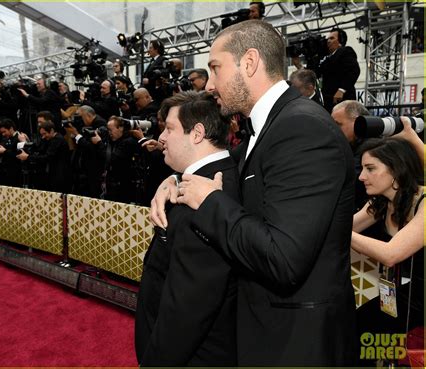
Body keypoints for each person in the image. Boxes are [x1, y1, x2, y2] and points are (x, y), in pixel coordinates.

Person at [151, 20, 357, 366]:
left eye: (216, 69)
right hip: (266, 330)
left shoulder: (302, 128)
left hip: (298, 343)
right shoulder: (267, 129)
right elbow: (221, 166)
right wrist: (175, 181)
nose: (210, 84)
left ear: (249, 62)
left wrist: (209, 201)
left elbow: (283, 258)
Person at [135, 91, 238, 366]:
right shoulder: (200, 180)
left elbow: (188, 307)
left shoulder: (211, 194)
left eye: (169, 129)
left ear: (197, 133)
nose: (162, 138)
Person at [352, 138, 424, 364]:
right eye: (362, 168)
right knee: (359, 331)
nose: (361, 176)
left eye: (370, 168)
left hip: (419, 301)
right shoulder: (381, 203)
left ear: (396, 168)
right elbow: (347, 226)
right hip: (402, 295)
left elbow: (391, 254)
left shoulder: (423, 201)